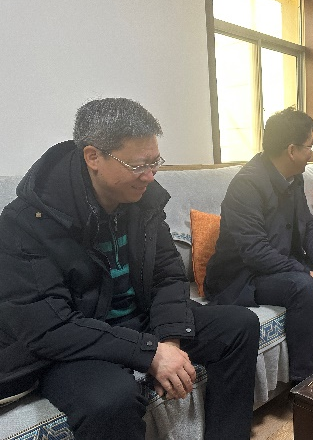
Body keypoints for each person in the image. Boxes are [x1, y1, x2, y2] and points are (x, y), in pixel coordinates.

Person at [0, 98, 260, 440]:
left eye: (155, 162)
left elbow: (168, 275)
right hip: (76, 340)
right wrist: (149, 353)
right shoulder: (25, 223)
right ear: (93, 157)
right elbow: (50, 328)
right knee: (111, 400)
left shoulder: (144, 200)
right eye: (138, 165)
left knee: (239, 325)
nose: (150, 176)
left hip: (138, 318)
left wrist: (170, 341)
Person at [204, 107, 313, 384]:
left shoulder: (293, 176)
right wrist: (307, 273)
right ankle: (304, 384)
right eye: (310, 146)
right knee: (302, 286)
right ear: (292, 150)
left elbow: (308, 226)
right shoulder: (247, 185)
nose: (312, 153)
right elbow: (255, 252)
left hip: (280, 263)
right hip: (243, 276)